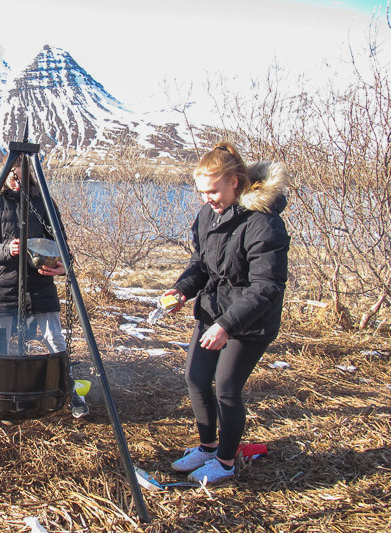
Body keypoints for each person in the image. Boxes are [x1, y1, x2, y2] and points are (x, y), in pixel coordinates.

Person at [163, 142, 290, 485]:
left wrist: (226, 325)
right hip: (214, 312)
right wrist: (182, 290)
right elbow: (201, 265)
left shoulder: (264, 223)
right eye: (202, 192)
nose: (207, 199)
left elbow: (267, 286)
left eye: (213, 191)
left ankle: (225, 462)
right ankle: (207, 447)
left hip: (250, 321)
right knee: (196, 379)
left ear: (234, 182)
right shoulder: (208, 215)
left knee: (226, 388)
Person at [0, 154, 88, 418]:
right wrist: (6, 249)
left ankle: (67, 392)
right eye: (13, 176)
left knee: (54, 339)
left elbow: (59, 240)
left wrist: (63, 264)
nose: (17, 182)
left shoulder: (42, 200)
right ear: (5, 173)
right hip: (3, 284)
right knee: (0, 345)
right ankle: (2, 398)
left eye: (22, 177)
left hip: (39, 283)